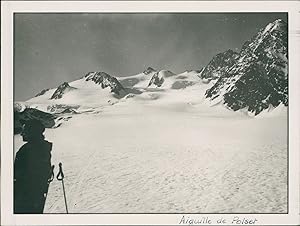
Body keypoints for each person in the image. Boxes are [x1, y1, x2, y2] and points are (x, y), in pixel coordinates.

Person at [14, 119, 53, 214]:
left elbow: (18, 174)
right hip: (35, 196)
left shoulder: (27, 150)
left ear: (32, 132)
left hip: (25, 197)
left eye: (25, 131)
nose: (22, 134)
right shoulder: (43, 147)